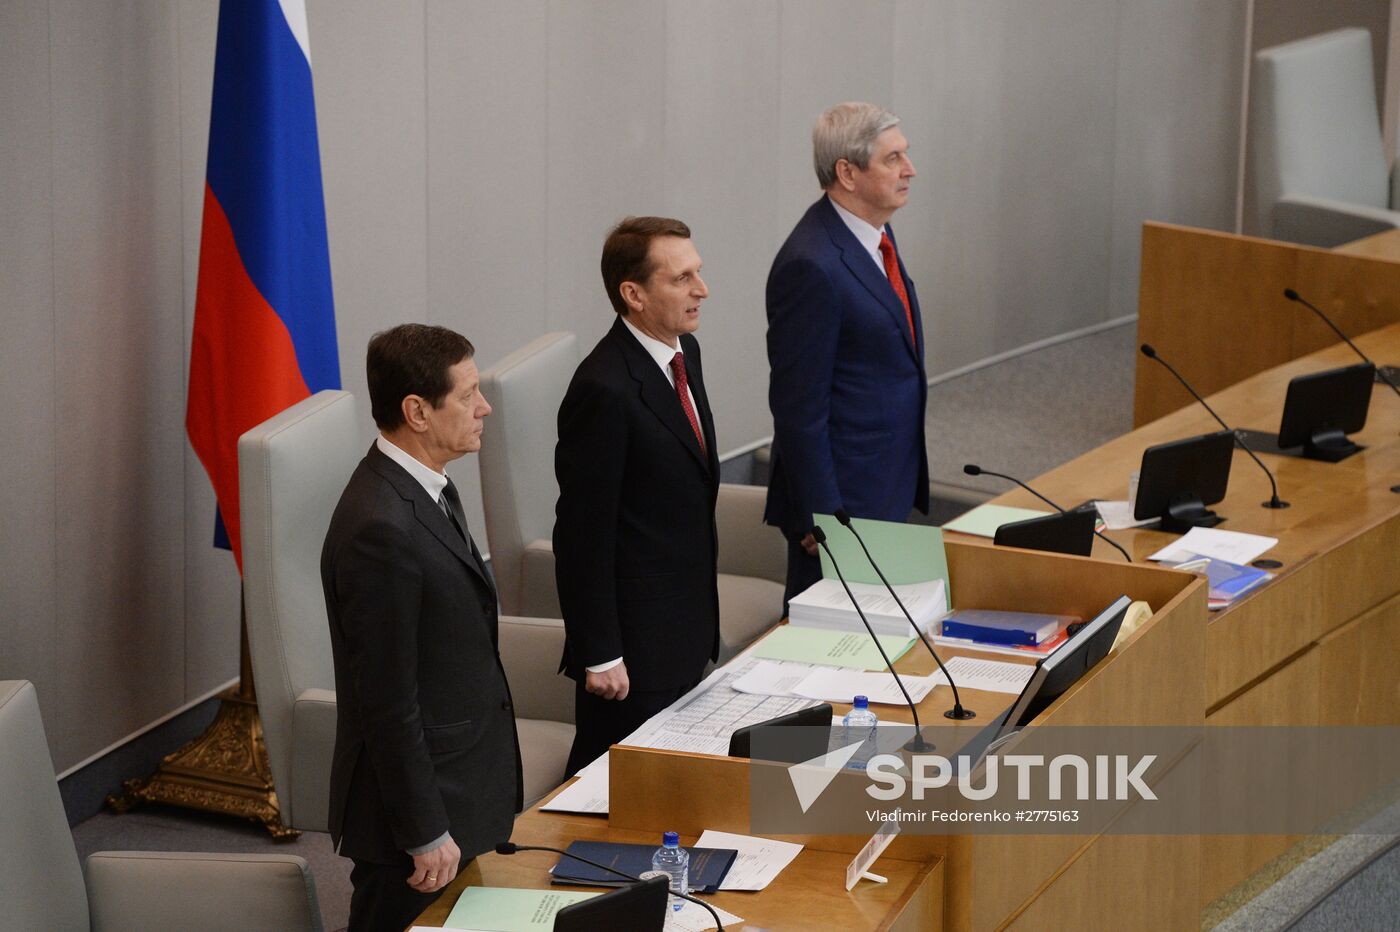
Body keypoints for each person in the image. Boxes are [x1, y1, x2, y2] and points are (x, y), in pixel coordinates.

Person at [322, 324, 521, 932]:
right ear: (417, 411)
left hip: (460, 786)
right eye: (466, 395)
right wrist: (424, 828)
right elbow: (387, 702)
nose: (484, 405)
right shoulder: (380, 527)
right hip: (415, 822)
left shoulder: (427, 487)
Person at [554, 216, 721, 776]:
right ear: (634, 294)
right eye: (681, 279)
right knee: (614, 793)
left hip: (685, 625)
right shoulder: (603, 388)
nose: (701, 289)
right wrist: (599, 651)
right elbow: (581, 534)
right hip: (634, 649)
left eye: (698, 272)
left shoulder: (682, 353)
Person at [764, 101, 930, 607]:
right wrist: (826, 516)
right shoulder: (810, 265)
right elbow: (798, 408)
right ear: (847, 173)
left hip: (882, 481)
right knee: (833, 657)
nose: (910, 169)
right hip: (843, 508)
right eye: (893, 158)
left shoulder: (875, 233)